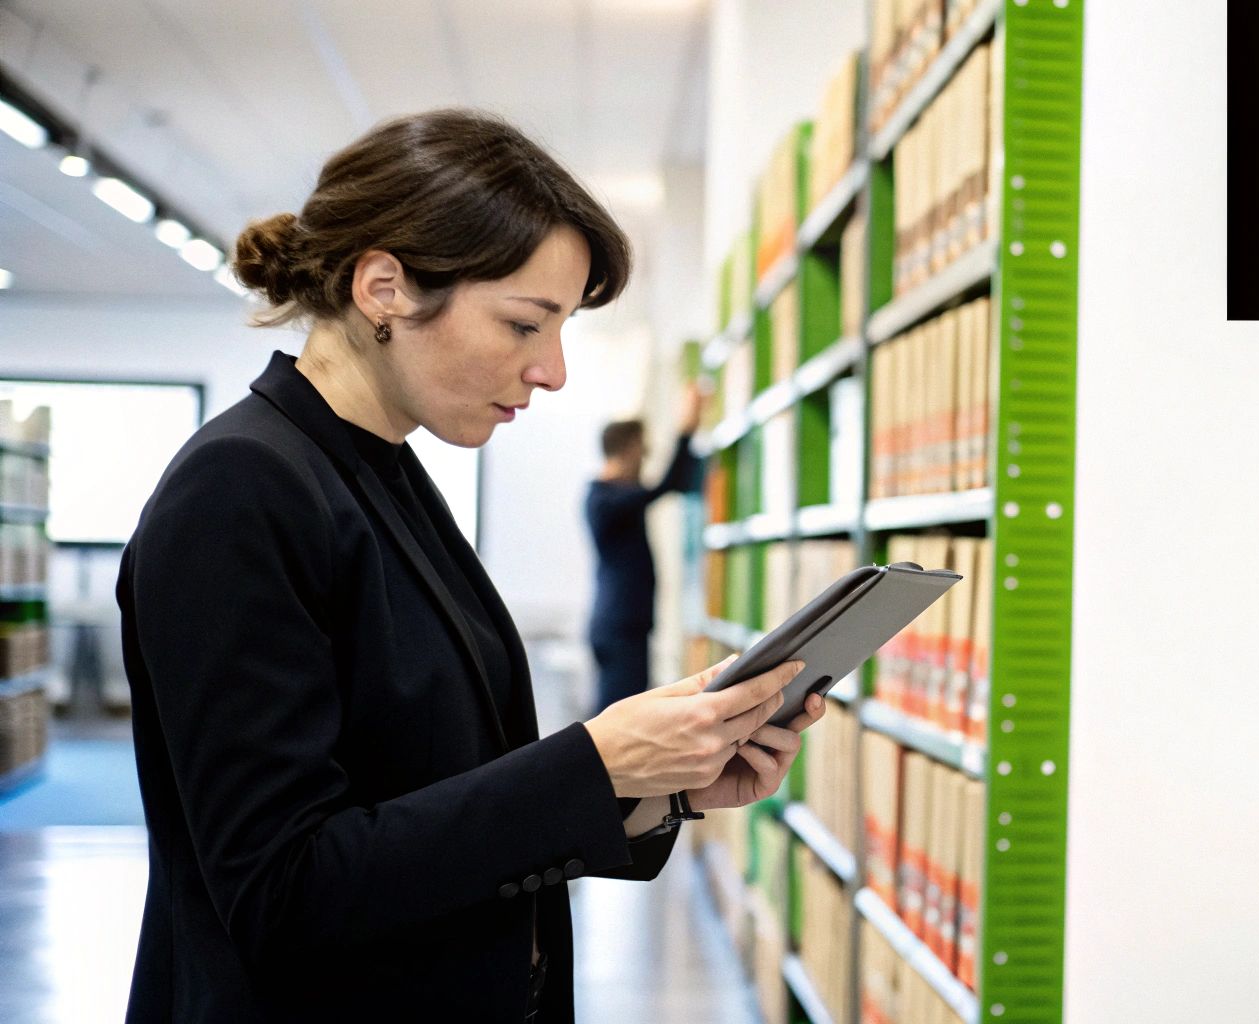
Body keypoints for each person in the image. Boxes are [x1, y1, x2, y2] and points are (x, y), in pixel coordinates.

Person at [114, 109, 824, 1023]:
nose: (554, 371)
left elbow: (432, 787)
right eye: (526, 324)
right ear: (385, 288)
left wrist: (655, 783)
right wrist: (593, 765)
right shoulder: (241, 489)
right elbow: (280, 888)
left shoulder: (381, 466)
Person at [587, 394, 703, 711]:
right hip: (620, 628)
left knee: (625, 709)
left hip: (625, 625)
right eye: (643, 449)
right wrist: (686, 429)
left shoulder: (611, 497)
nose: (645, 457)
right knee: (621, 716)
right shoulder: (604, 501)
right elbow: (665, 486)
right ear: (629, 449)